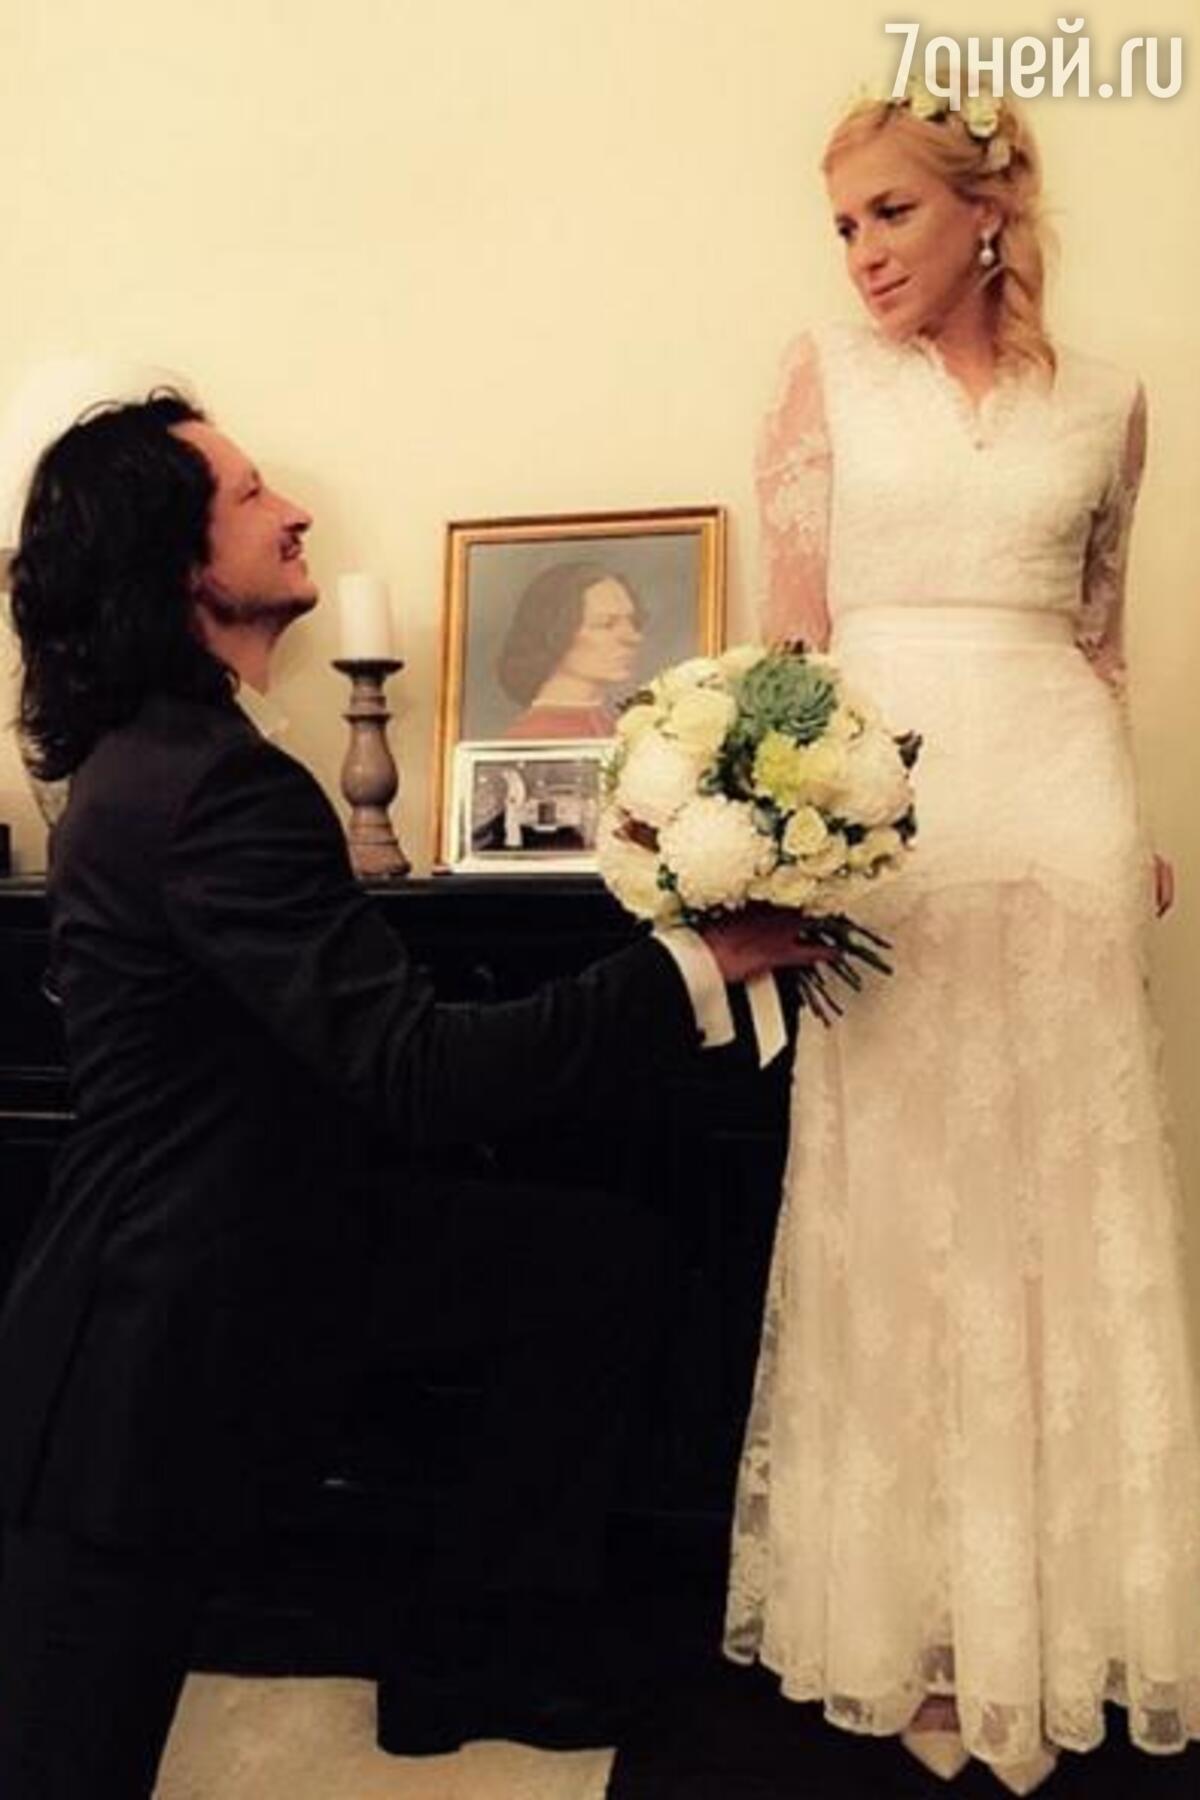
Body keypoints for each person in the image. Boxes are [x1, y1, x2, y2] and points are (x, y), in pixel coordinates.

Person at [0, 394, 830, 1797]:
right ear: (177, 560)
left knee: (588, 1259)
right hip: (153, 1338)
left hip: (273, 1235)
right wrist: (698, 960)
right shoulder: (214, 787)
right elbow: (421, 1072)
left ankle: (469, 1650)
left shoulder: (163, 759)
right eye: (250, 494)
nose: (295, 512)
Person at [722, 82, 1199, 1796]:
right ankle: (917, 1636)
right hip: (892, 846)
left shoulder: (1114, 404)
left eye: (892, 213)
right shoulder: (824, 379)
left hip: (1059, 823)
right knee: (903, 1217)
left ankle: (1063, 1625)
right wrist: (770, 839)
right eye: (844, 224)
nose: (861, 254)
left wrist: (1129, 837)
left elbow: (1101, 643)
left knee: (1064, 1213)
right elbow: (789, 649)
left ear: (986, 212)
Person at [497, 561, 643, 739]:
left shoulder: (608, 724)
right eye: (606, 624)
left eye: (633, 622)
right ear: (555, 632)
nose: (633, 637)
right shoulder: (536, 735)